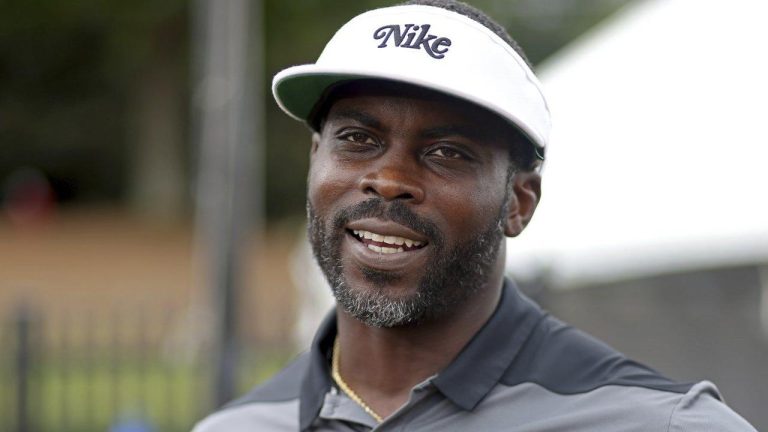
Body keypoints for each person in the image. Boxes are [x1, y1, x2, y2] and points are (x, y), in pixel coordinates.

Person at [193, 1, 757, 430]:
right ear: (316, 159)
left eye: (446, 152)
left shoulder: (659, 422)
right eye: (358, 138)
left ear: (519, 202)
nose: (388, 179)